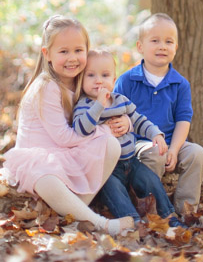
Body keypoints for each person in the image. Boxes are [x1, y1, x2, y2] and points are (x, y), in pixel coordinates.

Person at [2, 15, 133, 235]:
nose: (72, 58)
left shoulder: (82, 80)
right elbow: (64, 137)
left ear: (87, 50)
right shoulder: (46, 87)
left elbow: (109, 106)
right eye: (64, 52)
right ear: (47, 54)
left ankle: (73, 214)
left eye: (78, 51)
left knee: (111, 145)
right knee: (46, 177)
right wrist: (104, 129)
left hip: (66, 153)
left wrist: (125, 121)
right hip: (40, 155)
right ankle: (100, 223)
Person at [73, 48, 185, 227]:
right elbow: (80, 129)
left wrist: (155, 133)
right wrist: (98, 106)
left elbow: (139, 120)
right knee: (113, 191)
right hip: (106, 168)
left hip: (130, 161)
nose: (98, 80)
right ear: (81, 79)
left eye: (105, 75)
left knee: (152, 182)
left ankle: (169, 216)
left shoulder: (120, 100)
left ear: (114, 80)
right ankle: (133, 222)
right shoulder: (84, 105)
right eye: (91, 75)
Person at [114, 13, 203, 216]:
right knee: (155, 152)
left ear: (176, 47)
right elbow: (116, 114)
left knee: (198, 154)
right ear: (140, 47)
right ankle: (152, 210)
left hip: (171, 140)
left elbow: (183, 119)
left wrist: (174, 149)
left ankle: (186, 211)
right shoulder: (127, 80)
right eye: (155, 41)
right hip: (139, 143)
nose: (162, 46)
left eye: (168, 41)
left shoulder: (180, 84)